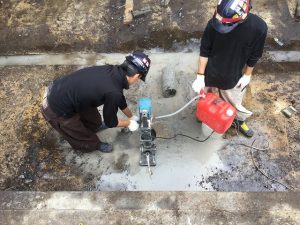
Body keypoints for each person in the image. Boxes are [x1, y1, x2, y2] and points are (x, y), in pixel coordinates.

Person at [41, 51, 151, 153]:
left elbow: (120, 99)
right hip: (55, 106)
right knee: (78, 133)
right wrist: (129, 123)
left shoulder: (112, 71)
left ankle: (95, 127)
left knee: (93, 119)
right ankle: (94, 145)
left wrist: (131, 116)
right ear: (137, 76)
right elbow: (110, 122)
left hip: (64, 90)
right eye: (139, 78)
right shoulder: (113, 92)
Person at [192, 0, 267, 137]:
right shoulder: (214, 23)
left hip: (234, 75)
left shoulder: (259, 28)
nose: (221, 25)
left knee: (234, 101)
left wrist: (247, 75)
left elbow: (255, 55)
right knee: (205, 98)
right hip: (211, 71)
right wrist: (200, 76)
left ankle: (237, 120)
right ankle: (204, 114)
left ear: (243, 16)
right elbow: (204, 51)